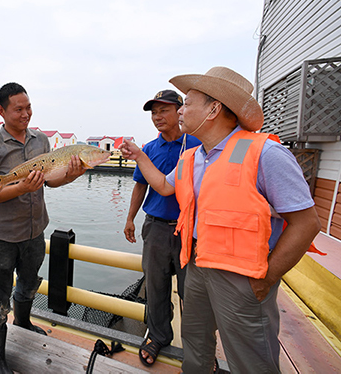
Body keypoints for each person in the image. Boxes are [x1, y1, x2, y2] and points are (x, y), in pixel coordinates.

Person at [120, 66, 321, 373]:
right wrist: (139, 156)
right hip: (199, 265)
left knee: (250, 356)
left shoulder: (265, 153)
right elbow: (163, 186)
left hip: (244, 276)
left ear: (213, 109)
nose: (181, 110)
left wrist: (267, 277)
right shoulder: (194, 157)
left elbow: (307, 224)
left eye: (187, 103)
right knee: (196, 342)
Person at [0, 82, 87, 373]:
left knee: (28, 285)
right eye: (18, 109)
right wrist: (20, 186)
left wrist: (72, 176)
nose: (26, 114)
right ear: (1, 111)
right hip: (2, 237)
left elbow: (50, 181)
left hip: (35, 233)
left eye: (28, 107)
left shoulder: (41, 141)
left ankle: (23, 322)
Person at [124, 90, 201, 366]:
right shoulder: (149, 149)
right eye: (154, 112)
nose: (158, 117)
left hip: (188, 230)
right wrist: (130, 218)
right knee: (155, 287)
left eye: (164, 110)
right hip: (155, 227)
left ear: (180, 111)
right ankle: (158, 336)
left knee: (192, 291)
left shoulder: (197, 145)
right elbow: (140, 186)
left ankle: (199, 348)